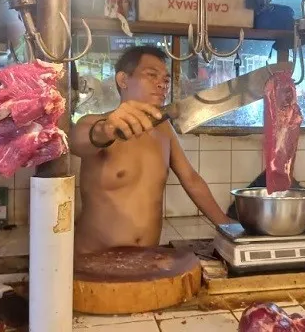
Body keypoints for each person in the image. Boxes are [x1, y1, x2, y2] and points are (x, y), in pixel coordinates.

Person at [70, 46, 231, 254]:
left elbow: (191, 179)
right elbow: (78, 142)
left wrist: (228, 227)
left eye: (165, 79)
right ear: (123, 80)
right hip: (95, 260)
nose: (162, 84)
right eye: (151, 75)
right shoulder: (94, 123)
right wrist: (106, 129)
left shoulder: (165, 129)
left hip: (146, 259)